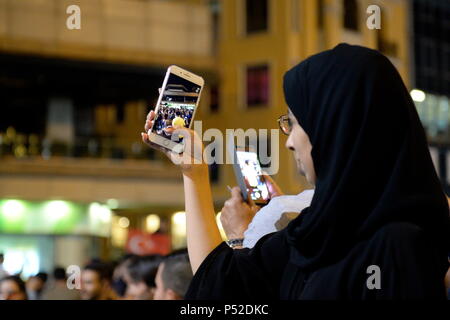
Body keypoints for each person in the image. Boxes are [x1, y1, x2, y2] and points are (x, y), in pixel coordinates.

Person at [142, 43, 450, 299]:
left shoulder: (397, 246)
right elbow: (220, 287)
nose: (289, 142)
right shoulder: (316, 231)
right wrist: (194, 172)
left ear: (338, 128)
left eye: (296, 123)